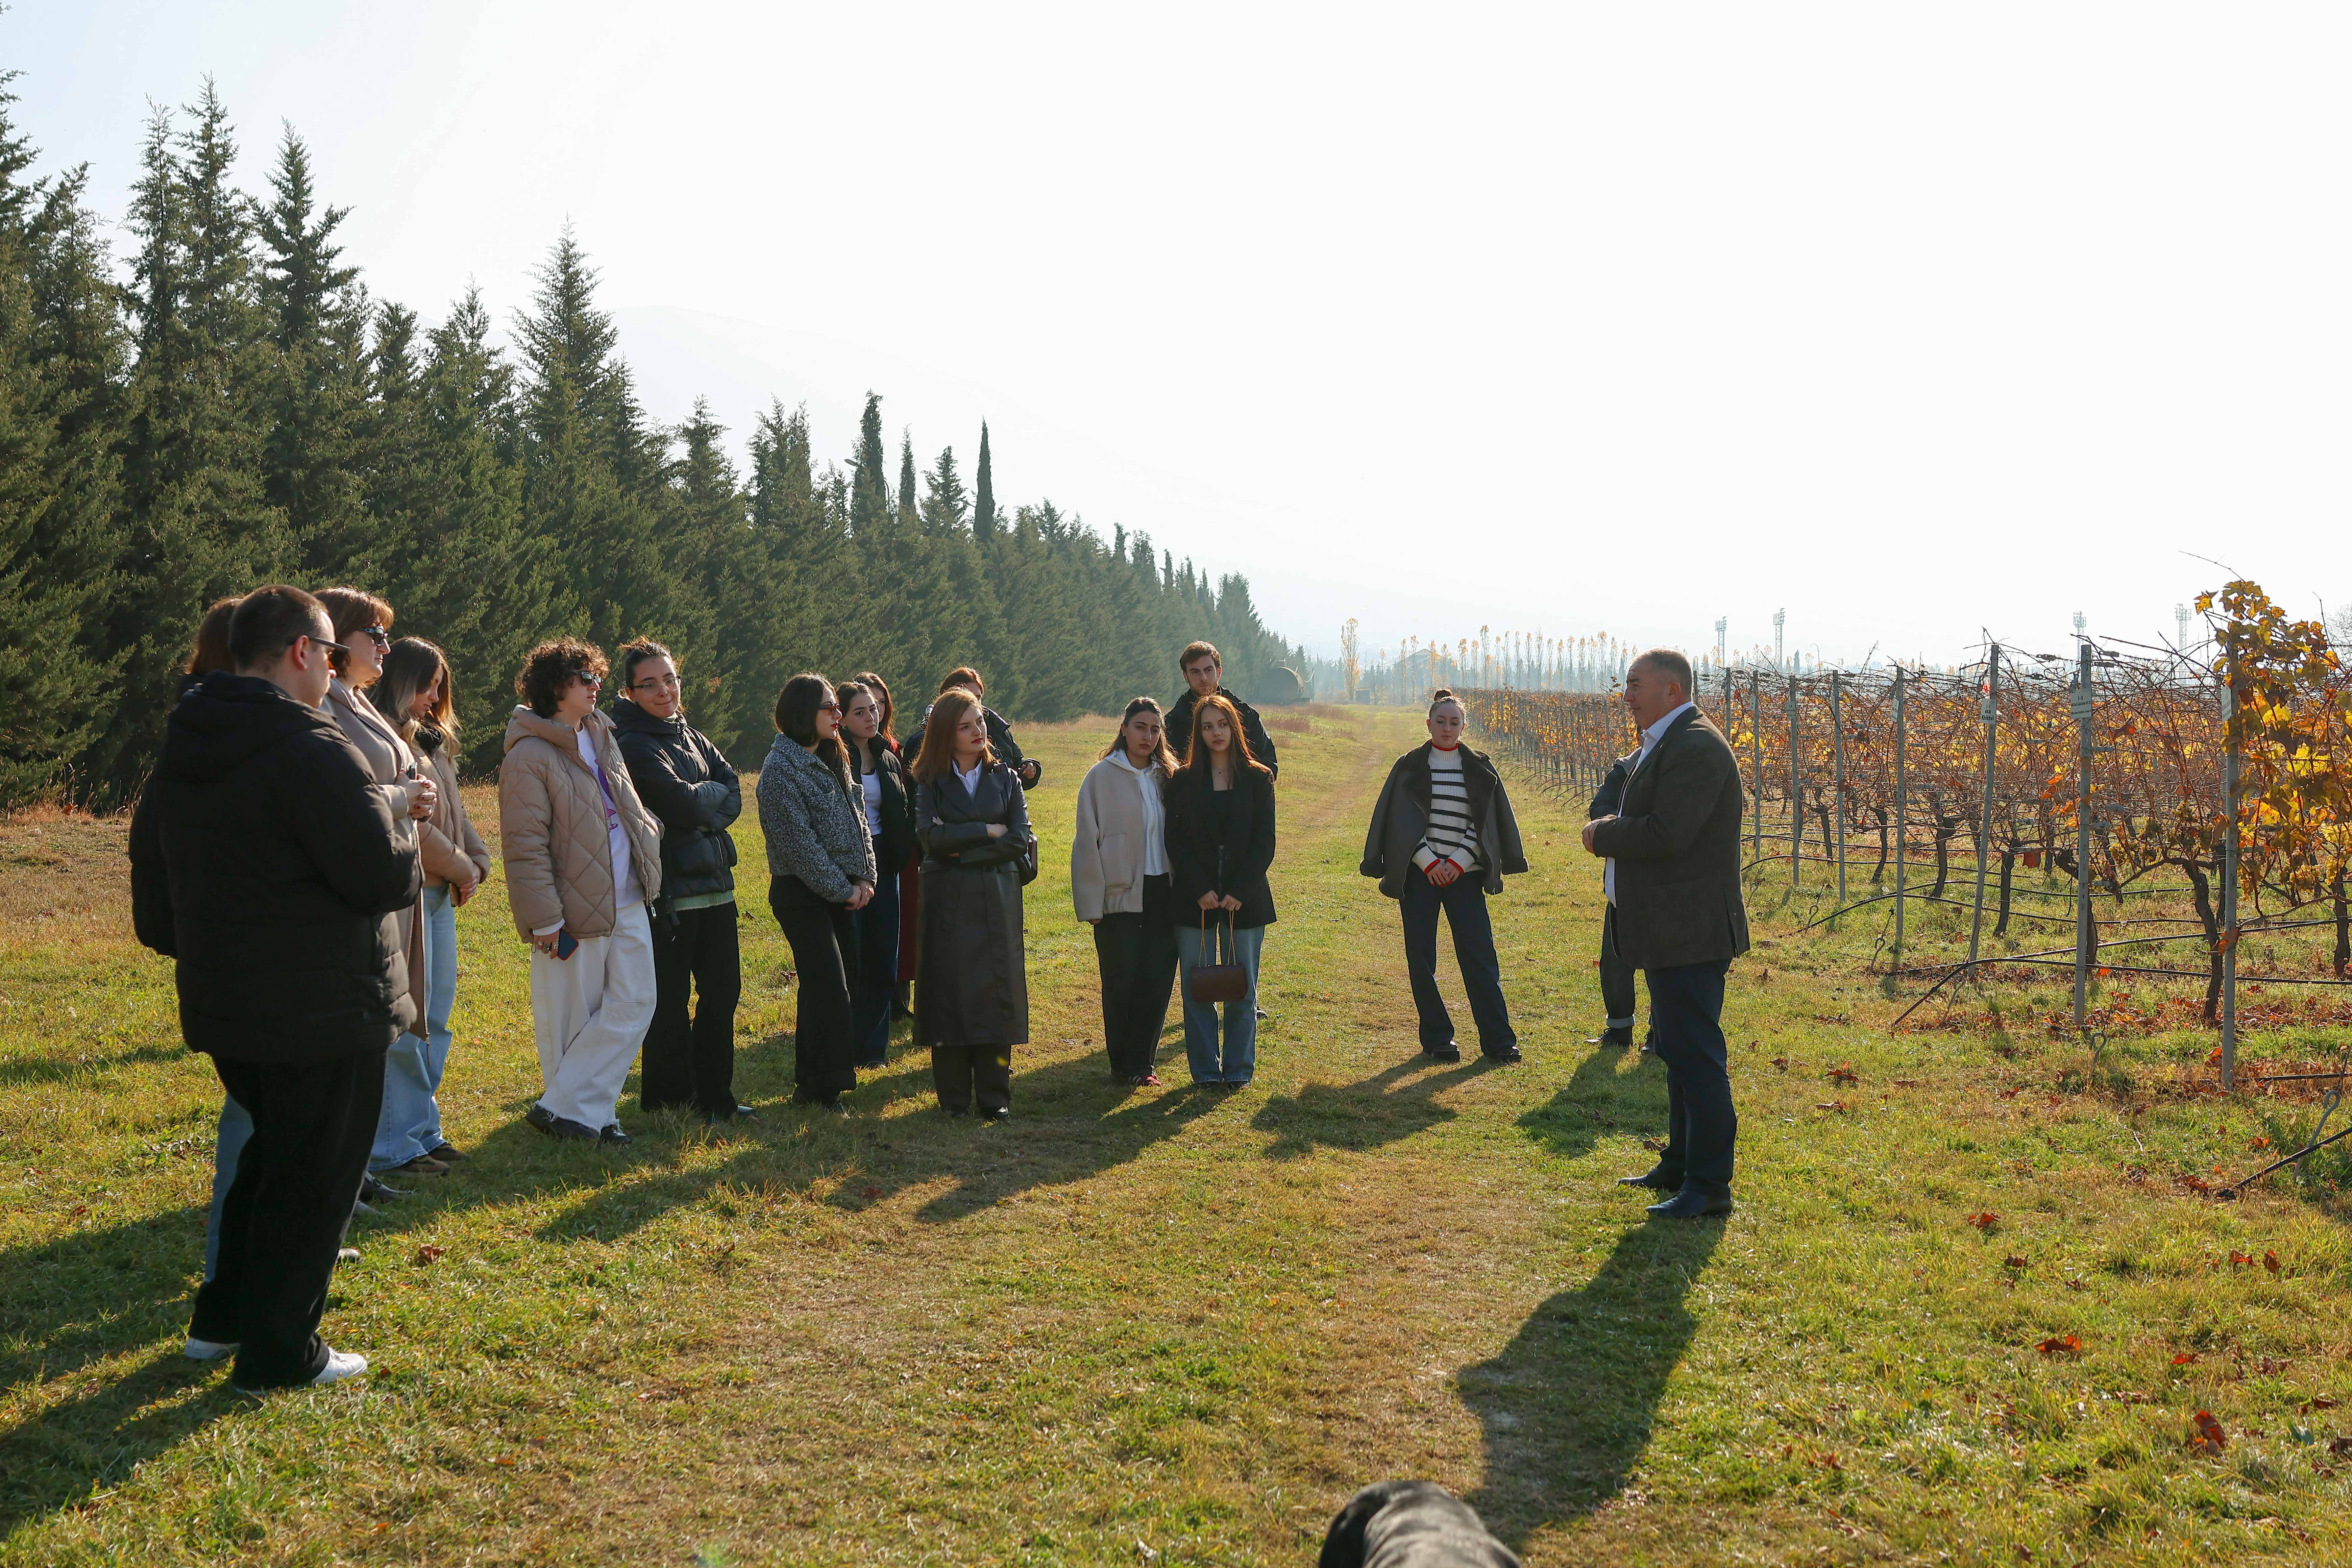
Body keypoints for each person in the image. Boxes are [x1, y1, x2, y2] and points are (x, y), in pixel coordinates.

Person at [130, 584, 420, 1390]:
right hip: (324, 1003)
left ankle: (222, 1319)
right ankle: (282, 1351)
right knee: (314, 1177)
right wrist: (404, 823)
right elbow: (381, 875)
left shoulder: (189, 741)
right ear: (302, 651)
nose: (334, 667)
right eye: (332, 652)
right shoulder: (313, 746)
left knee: (272, 1155)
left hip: (231, 1001)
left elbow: (153, 885)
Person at [1582, 648, 1749, 1220]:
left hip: (1692, 931)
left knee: (1697, 1058)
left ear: (1672, 691)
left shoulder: (1696, 746)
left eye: (1636, 685)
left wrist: (1602, 834)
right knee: (1678, 1053)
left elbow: (1668, 833)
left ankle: (1710, 1186)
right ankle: (1679, 1165)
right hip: (1671, 927)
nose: (1627, 695)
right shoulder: (1671, 741)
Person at [499, 638, 664, 1146]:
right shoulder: (528, 755)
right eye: (584, 678)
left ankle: (565, 1110)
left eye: (596, 676)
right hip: (570, 909)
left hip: (628, 895)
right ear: (556, 687)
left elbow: (626, 803)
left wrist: (648, 834)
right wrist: (546, 919)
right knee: (575, 1018)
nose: (596, 685)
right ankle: (590, 1117)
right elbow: (525, 847)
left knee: (637, 1002)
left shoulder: (600, 732)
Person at [314, 588, 439, 1179]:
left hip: (395, 877)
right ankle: (371, 1159)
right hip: (363, 881)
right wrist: (402, 797)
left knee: (403, 1013)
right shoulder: (322, 702)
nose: (387, 647)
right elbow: (339, 795)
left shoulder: (357, 700)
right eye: (377, 635)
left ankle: (381, 1153)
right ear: (337, 638)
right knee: (370, 1022)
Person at [609, 638, 749, 1126]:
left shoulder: (691, 734)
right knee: (670, 1002)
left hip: (718, 887)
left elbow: (734, 791)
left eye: (669, 679)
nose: (664, 691)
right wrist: (706, 805)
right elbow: (683, 805)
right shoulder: (634, 744)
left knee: (723, 994)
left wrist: (702, 806)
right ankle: (669, 1101)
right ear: (630, 693)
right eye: (650, 684)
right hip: (672, 894)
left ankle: (716, 1096)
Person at [369, 637, 491, 1174]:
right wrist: (463, 866)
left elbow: (454, 813)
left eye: (441, 685)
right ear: (400, 680)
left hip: (440, 895)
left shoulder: (431, 741)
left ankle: (422, 1130)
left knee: (436, 1018)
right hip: (411, 895)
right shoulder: (385, 739)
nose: (436, 695)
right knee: (409, 1021)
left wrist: (478, 858)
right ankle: (393, 1144)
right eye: (427, 684)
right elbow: (411, 826)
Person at [1361, 690, 1530, 1064]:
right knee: (1421, 958)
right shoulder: (1409, 766)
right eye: (1441, 721)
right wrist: (1429, 861)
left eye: (1455, 722)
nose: (1447, 728)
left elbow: (1483, 824)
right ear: (1429, 724)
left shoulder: (1481, 767)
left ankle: (1499, 1042)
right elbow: (1400, 824)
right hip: (1420, 875)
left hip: (1464, 875)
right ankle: (1438, 1039)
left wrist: (1458, 861)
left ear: (1464, 726)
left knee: (1480, 956)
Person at [911, 686, 1034, 1119]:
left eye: (979, 721)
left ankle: (995, 1096)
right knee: (949, 992)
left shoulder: (1007, 778)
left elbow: (1019, 839)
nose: (978, 730)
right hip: (948, 901)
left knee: (996, 995)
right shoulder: (929, 781)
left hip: (998, 898)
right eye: (965, 726)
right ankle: (953, 1098)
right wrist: (986, 831)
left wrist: (962, 849)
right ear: (946, 732)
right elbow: (930, 838)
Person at [757, 674, 876, 1113]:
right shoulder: (780, 770)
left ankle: (810, 1085)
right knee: (829, 989)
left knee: (829, 987)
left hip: (843, 890)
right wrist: (844, 889)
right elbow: (800, 847)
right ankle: (826, 1090)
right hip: (801, 895)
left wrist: (866, 878)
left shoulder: (833, 754)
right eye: (830, 707)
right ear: (803, 712)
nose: (838, 714)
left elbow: (860, 819)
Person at [1165, 692, 1276, 1088]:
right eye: (1208, 726)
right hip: (1193, 899)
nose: (1216, 733)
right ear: (1198, 732)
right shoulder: (1182, 780)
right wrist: (1199, 888)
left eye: (1223, 724)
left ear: (1235, 727)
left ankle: (1239, 1070)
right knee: (1198, 988)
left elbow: (1265, 842)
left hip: (1245, 900)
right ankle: (1206, 1073)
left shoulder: (1259, 778)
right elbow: (1175, 841)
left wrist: (1240, 890)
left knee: (1242, 989)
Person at [1072, 697, 1180, 1085]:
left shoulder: (1169, 777)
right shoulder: (1100, 777)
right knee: (1121, 981)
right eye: (1140, 727)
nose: (1148, 736)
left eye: (1155, 729)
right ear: (1124, 729)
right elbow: (1087, 842)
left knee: (1157, 979)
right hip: (1118, 895)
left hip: (1164, 892)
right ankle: (1121, 1063)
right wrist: (1091, 902)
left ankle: (1142, 1064)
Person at [838, 677, 913, 1070]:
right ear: (841, 718)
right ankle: (846, 1044)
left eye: (874, 708)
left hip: (886, 862)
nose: (872, 716)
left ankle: (874, 1049)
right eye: (860, 711)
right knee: (853, 957)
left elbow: (901, 811)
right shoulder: (833, 758)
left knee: (885, 957)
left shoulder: (888, 757)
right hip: (849, 866)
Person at [1587, 748, 1648, 1050]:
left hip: (1664, 884)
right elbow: (1599, 807)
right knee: (1614, 959)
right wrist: (1624, 826)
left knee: (1661, 963)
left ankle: (1659, 1034)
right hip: (1622, 878)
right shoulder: (1625, 768)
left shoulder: (1678, 763)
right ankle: (1619, 1028)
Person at [904, 666, 1039, 789]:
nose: (973, 702)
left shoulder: (998, 728)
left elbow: (1014, 770)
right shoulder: (922, 743)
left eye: (978, 698)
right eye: (965, 697)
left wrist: (1030, 769)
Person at [1163, 641, 1279, 780]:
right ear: (1186, 676)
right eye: (1195, 672)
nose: (1203, 678)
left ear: (1219, 672)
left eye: (1208, 670)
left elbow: (1269, 765)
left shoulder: (1245, 715)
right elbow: (1167, 773)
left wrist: (1245, 788)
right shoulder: (1173, 723)